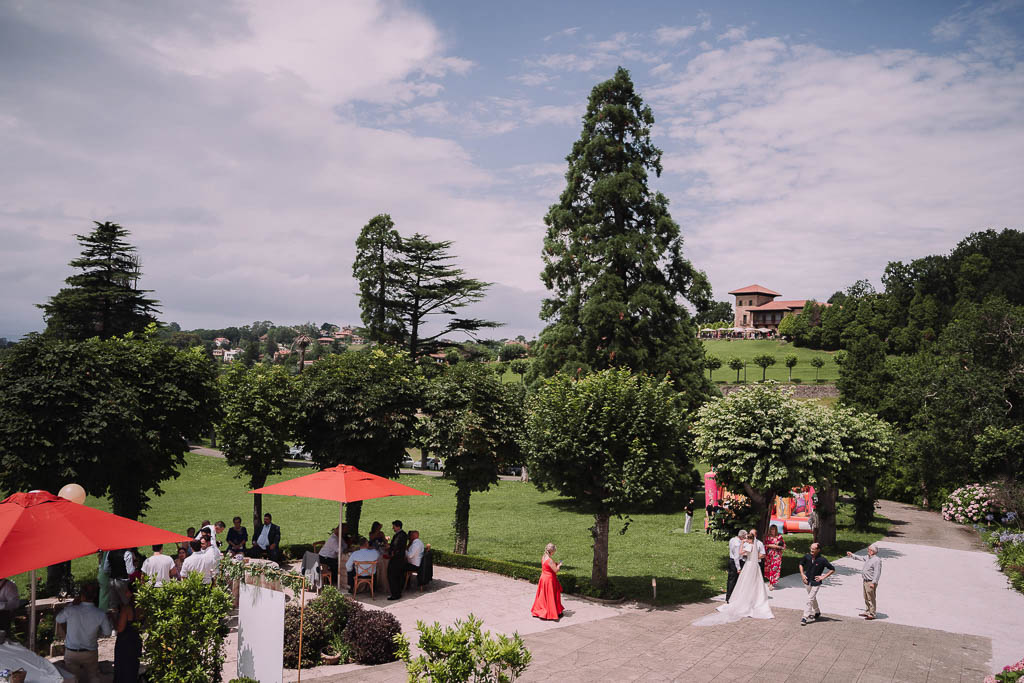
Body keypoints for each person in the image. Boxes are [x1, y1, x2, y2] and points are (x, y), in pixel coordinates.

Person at [694, 537, 773, 625]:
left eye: (748, 539)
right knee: (755, 583)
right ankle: (754, 600)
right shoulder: (755, 546)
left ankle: (744, 601)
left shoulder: (750, 546)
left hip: (749, 565)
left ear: (750, 540)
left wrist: (742, 544)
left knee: (745, 582)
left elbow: (741, 553)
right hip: (755, 566)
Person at [55, 582, 112, 683]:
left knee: (72, 679)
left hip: (72, 652)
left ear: (82, 595)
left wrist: (72, 603)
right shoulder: (100, 614)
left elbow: (59, 619)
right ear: (95, 596)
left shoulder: (71, 610)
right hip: (90, 652)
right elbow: (107, 632)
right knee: (93, 677)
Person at [799, 542, 835, 625]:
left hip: (816, 583)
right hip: (807, 581)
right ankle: (817, 611)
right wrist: (802, 575)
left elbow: (832, 569)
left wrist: (823, 577)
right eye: (811, 548)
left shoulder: (822, 560)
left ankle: (805, 617)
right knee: (812, 598)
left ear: (818, 550)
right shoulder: (807, 556)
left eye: (814, 548)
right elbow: (801, 564)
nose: (811, 549)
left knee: (810, 599)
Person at [113, 584, 142, 683]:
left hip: (125, 643)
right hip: (136, 641)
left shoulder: (127, 608)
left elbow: (120, 628)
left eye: (127, 591)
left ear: (131, 593)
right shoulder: (142, 607)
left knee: (123, 671)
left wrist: (113, 618)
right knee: (133, 669)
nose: (125, 593)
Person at [847, 544, 882, 619]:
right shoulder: (868, 557)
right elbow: (860, 558)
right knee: (866, 597)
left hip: (870, 582)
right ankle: (867, 611)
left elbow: (877, 572)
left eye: (869, 550)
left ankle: (872, 614)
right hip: (865, 581)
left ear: (872, 551)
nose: (868, 551)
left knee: (871, 598)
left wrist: (873, 582)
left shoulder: (877, 560)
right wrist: (852, 555)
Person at [530, 543, 564, 620]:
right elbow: (555, 570)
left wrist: (555, 564)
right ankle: (551, 612)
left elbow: (547, 567)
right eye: (554, 551)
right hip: (549, 580)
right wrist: (559, 565)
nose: (554, 553)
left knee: (543, 595)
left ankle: (539, 610)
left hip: (543, 578)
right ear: (552, 551)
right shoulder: (550, 560)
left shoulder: (544, 557)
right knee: (551, 596)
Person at [386, 520, 409, 600]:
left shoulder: (400, 535)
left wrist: (391, 552)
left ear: (398, 526)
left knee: (392, 575)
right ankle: (397, 592)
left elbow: (395, 547)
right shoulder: (403, 534)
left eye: (394, 526)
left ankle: (395, 594)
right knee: (398, 576)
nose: (393, 528)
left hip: (396, 559)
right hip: (400, 558)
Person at [726, 530, 747, 603]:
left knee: (730, 580)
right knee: (733, 581)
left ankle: (728, 596)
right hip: (735, 562)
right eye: (745, 537)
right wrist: (738, 568)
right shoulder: (737, 544)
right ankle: (730, 597)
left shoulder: (732, 539)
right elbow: (736, 557)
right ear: (742, 537)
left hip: (731, 560)